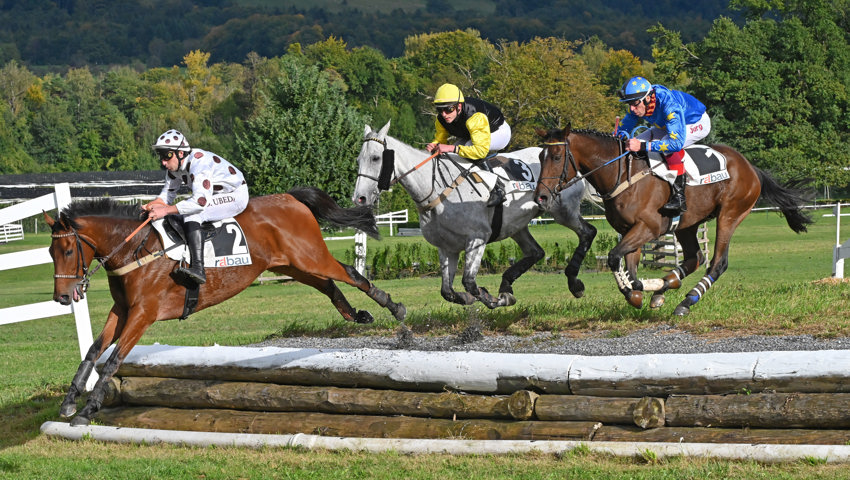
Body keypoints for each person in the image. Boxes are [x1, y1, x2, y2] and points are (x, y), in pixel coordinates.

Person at [143, 129, 249, 285]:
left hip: (236, 195)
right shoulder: (174, 170)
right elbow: (166, 197)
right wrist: (150, 206)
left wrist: (164, 210)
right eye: (161, 156)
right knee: (180, 211)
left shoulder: (199, 163)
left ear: (180, 153)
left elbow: (200, 203)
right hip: (216, 196)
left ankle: (198, 269)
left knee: (192, 214)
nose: (163, 162)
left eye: (167, 156)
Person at [615, 76, 711, 214]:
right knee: (632, 144)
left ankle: (679, 197)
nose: (632, 108)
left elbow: (675, 143)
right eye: (629, 104)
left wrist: (642, 147)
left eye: (635, 104)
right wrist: (618, 136)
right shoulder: (638, 102)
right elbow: (624, 128)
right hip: (667, 125)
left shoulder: (669, 105)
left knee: (663, 145)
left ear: (647, 98)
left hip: (696, 122)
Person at [426, 83, 512, 207]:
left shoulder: (475, 116)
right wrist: (434, 145)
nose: (444, 114)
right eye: (440, 109)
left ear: (459, 106)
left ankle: (498, 188)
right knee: (451, 155)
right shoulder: (441, 119)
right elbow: (440, 140)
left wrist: (452, 148)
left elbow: (480, 151)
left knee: (466, 148)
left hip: (498, 132)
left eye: (448, 109)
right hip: (473, 134)